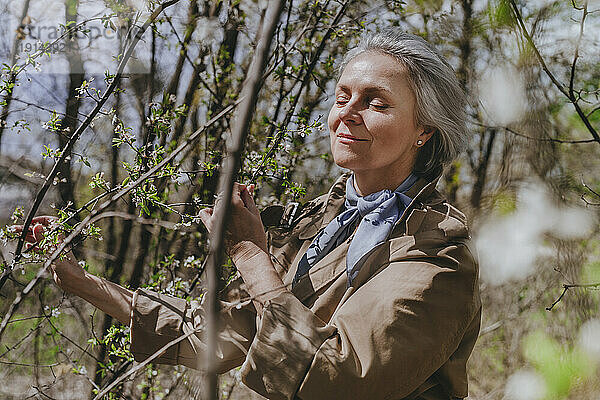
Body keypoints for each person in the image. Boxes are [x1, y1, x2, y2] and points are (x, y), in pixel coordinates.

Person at [19, 29, 480, 399]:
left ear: (424, 130)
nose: (348, 114)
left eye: (376, 103)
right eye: (342, 98)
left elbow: (339, 381)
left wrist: (251, 255)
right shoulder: (320, 223)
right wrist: (82, 282)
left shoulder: (437, 254)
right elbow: (231, 336)